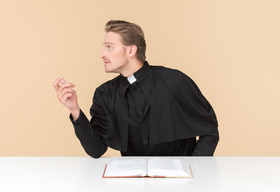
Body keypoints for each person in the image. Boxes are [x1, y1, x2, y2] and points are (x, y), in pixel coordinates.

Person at [53, 20, 219, 158]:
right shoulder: (105, 94)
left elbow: (210, 132)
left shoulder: (176, 81)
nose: (102, 54)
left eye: (109, 47)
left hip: (179, 182)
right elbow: (96, 150)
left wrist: (195, 168)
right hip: (132, 183)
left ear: (131, 50)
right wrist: (74, 109)